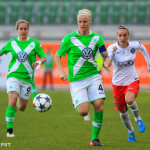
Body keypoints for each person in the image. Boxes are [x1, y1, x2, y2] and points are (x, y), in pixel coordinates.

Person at [55, 9, 111, 146]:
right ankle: (77, 101)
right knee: (83, 111)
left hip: (93, 76)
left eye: (85, 21)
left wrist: (107, 63)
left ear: (90, 22)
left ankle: (95, 139)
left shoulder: (97, 38)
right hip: (77, 80)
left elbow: (105, 56)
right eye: (80, 21)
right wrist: (62, 72)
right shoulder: (69, 38)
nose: (82, 24)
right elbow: (58, 56)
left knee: (99, 104)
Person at [0, 20, 46, 137]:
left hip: (27, 79)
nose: (23, 31)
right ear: (17, 30)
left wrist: (39, 62)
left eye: (25, 29)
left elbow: (43, 57)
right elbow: (1, 52)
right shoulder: (12, 43)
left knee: (21, 107)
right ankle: (9, 130)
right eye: (21, 29)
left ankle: (12, 109)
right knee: (13, 98)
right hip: (13, 75)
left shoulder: (34, 43)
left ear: (28, 30)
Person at [107, 25, 150, 142]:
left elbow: (143, 48)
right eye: (120, 35)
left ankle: (138, 118)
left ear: (128, 36)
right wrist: (106, 65)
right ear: (117, 36)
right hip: (117, 84)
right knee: (122, 111)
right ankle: (130, 131)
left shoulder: (134, 45)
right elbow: (108, 59)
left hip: (132, 80)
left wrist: (149, 64)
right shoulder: (112, 48)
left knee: (129, 100)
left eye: (124, 35)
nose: (122, 37)